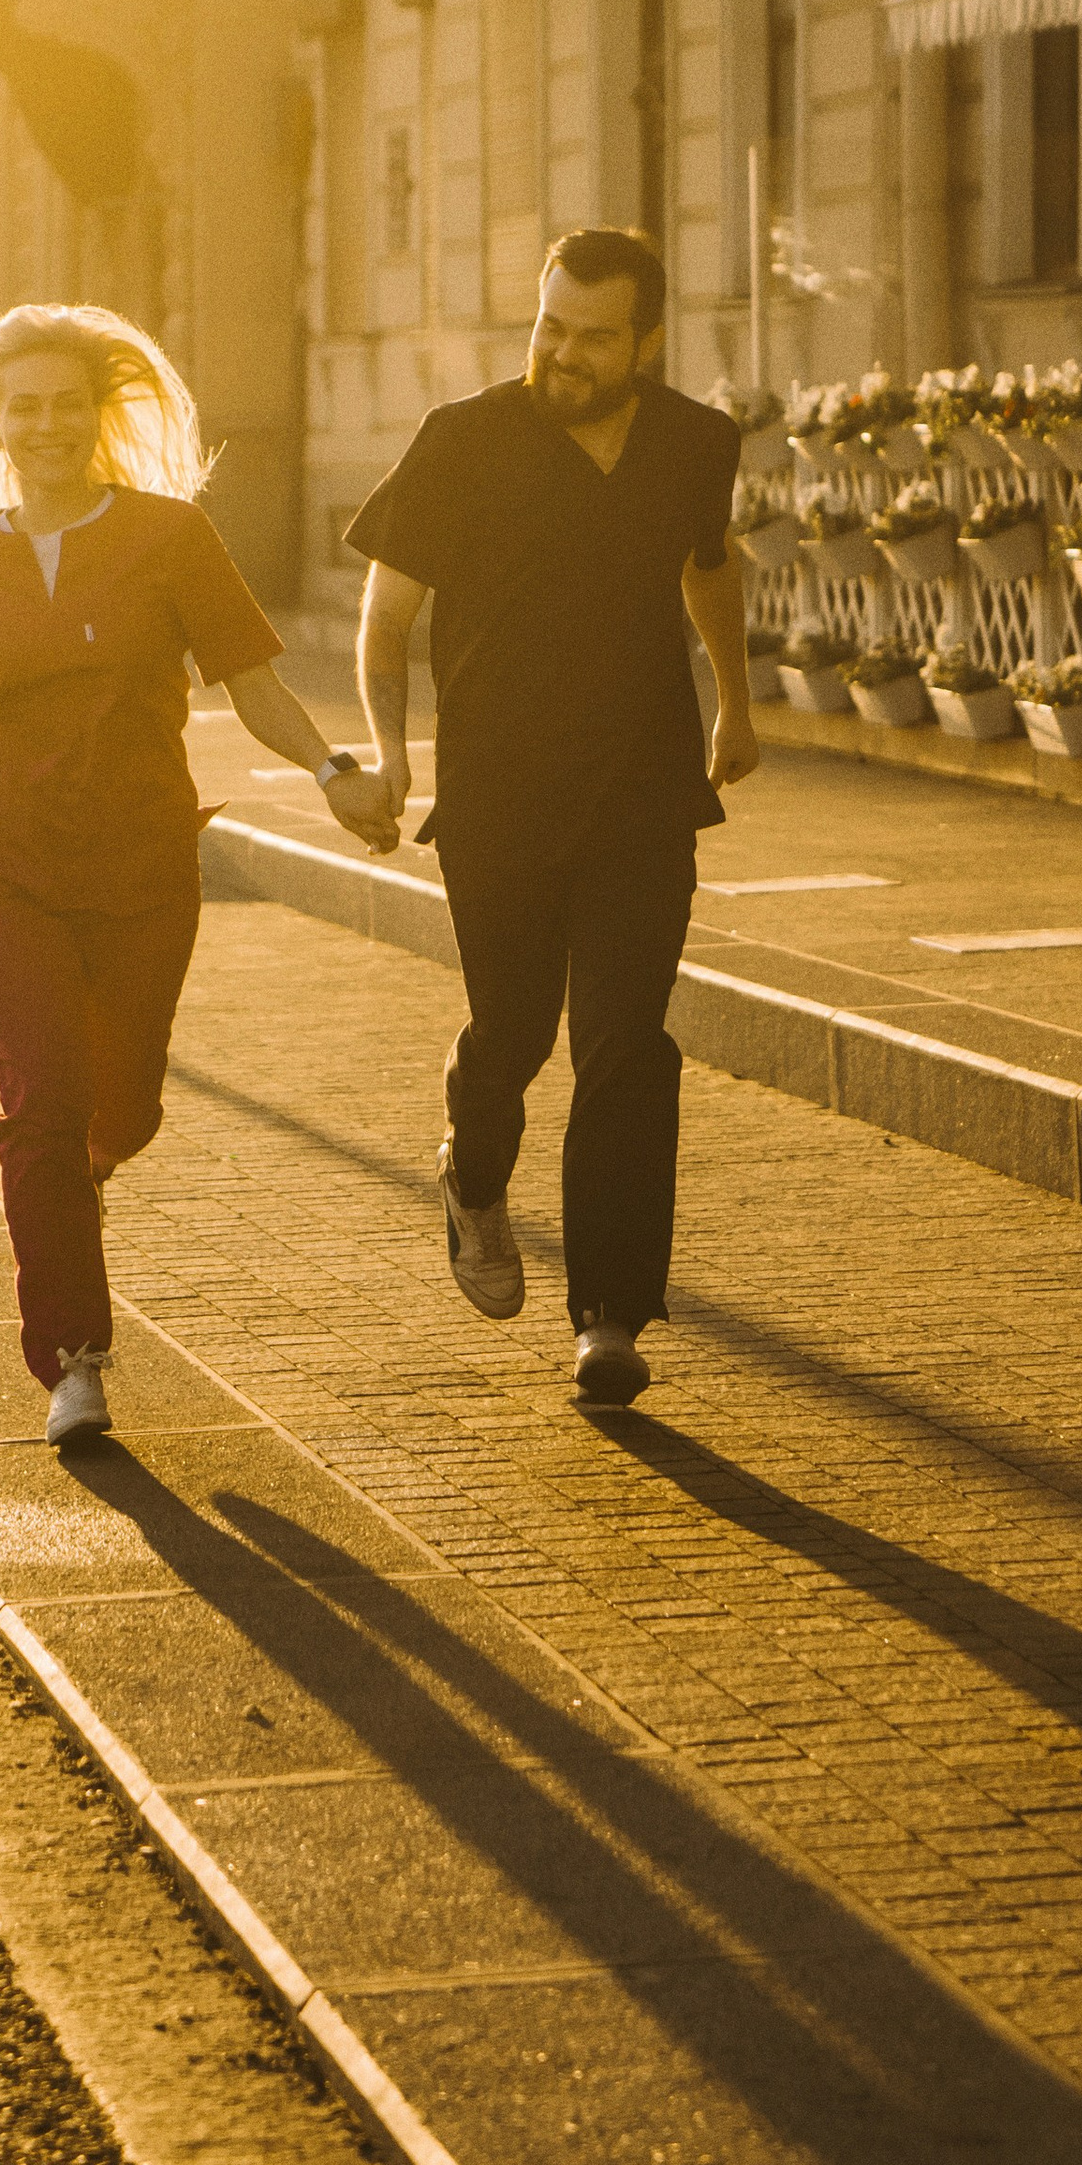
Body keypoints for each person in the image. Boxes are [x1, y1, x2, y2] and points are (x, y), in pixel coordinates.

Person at [0, 304, 398, 1447]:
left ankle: (83, 1179)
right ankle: (72, 1355)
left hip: (143, 861)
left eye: (68, 402)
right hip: (8, 868)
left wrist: (331, 768)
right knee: (41, 1106)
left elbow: (251, 682)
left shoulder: (169, 538)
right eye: (24, 405)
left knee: (124, 1106)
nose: (47, 423)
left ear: (96, 413)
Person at [344, 228, 756, 1407]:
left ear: (647, 340)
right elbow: (384, 626)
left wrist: (734, 697)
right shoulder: (464, 441)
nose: (562, 355)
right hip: (499, 799)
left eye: (593, 336)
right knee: (513, 1035)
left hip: (641, 790)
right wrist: (387, 751)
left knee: (627, 1046)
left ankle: (609, 1317)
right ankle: (473, 1170)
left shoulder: (694, 441)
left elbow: (706, 565)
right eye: (549, 326)